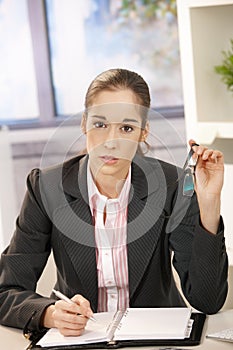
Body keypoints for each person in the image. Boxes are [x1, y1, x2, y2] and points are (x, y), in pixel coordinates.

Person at [0, 68, 228, 337]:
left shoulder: (173, 185)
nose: (111, 142)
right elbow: (6, 291)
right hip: (80, 339)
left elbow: (208, 302)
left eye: (127, 127)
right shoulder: (46, 188)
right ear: (84, 123)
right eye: (100, 124)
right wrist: (51, 314)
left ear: (143, 132)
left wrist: (209, 204)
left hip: (157, 339)